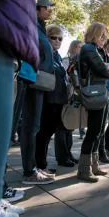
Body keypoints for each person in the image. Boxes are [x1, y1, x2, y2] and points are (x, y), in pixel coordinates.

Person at [0, 0, 54, 217]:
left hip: (8, 51)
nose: (50, 10)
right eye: (48, 7)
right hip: (2, 44)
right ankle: (12, 183)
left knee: (9, 136)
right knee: (20, 130)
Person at [20, 0, 56, 185]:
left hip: (39, 82)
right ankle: (29, 172)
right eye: (47, 7)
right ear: (37, 8)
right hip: (31, 80)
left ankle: (33, 168)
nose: (49, 10)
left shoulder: (40, 28)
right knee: (29, 127)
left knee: (34, 127)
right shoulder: (31, 25)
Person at [35, 25, 76, 169]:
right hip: (48, 98)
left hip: (58, 99)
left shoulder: (57, 56)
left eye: (60, 38)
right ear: (47, 38)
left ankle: (41, 164)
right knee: (44, 133)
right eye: (54, 37)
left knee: (49, 131)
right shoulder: (45, 54)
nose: (57, 41)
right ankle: (39, 164)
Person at [77, 22, 109, 182]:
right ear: (93, 34)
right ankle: (84, 170)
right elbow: (106, 71)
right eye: (101, 35)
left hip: (102, 93)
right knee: (93, 131)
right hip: (95, 93)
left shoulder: (98, 50)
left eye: (105, 36)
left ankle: (94, 165)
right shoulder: (89, 49)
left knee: (99, 131)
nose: (104, 39)